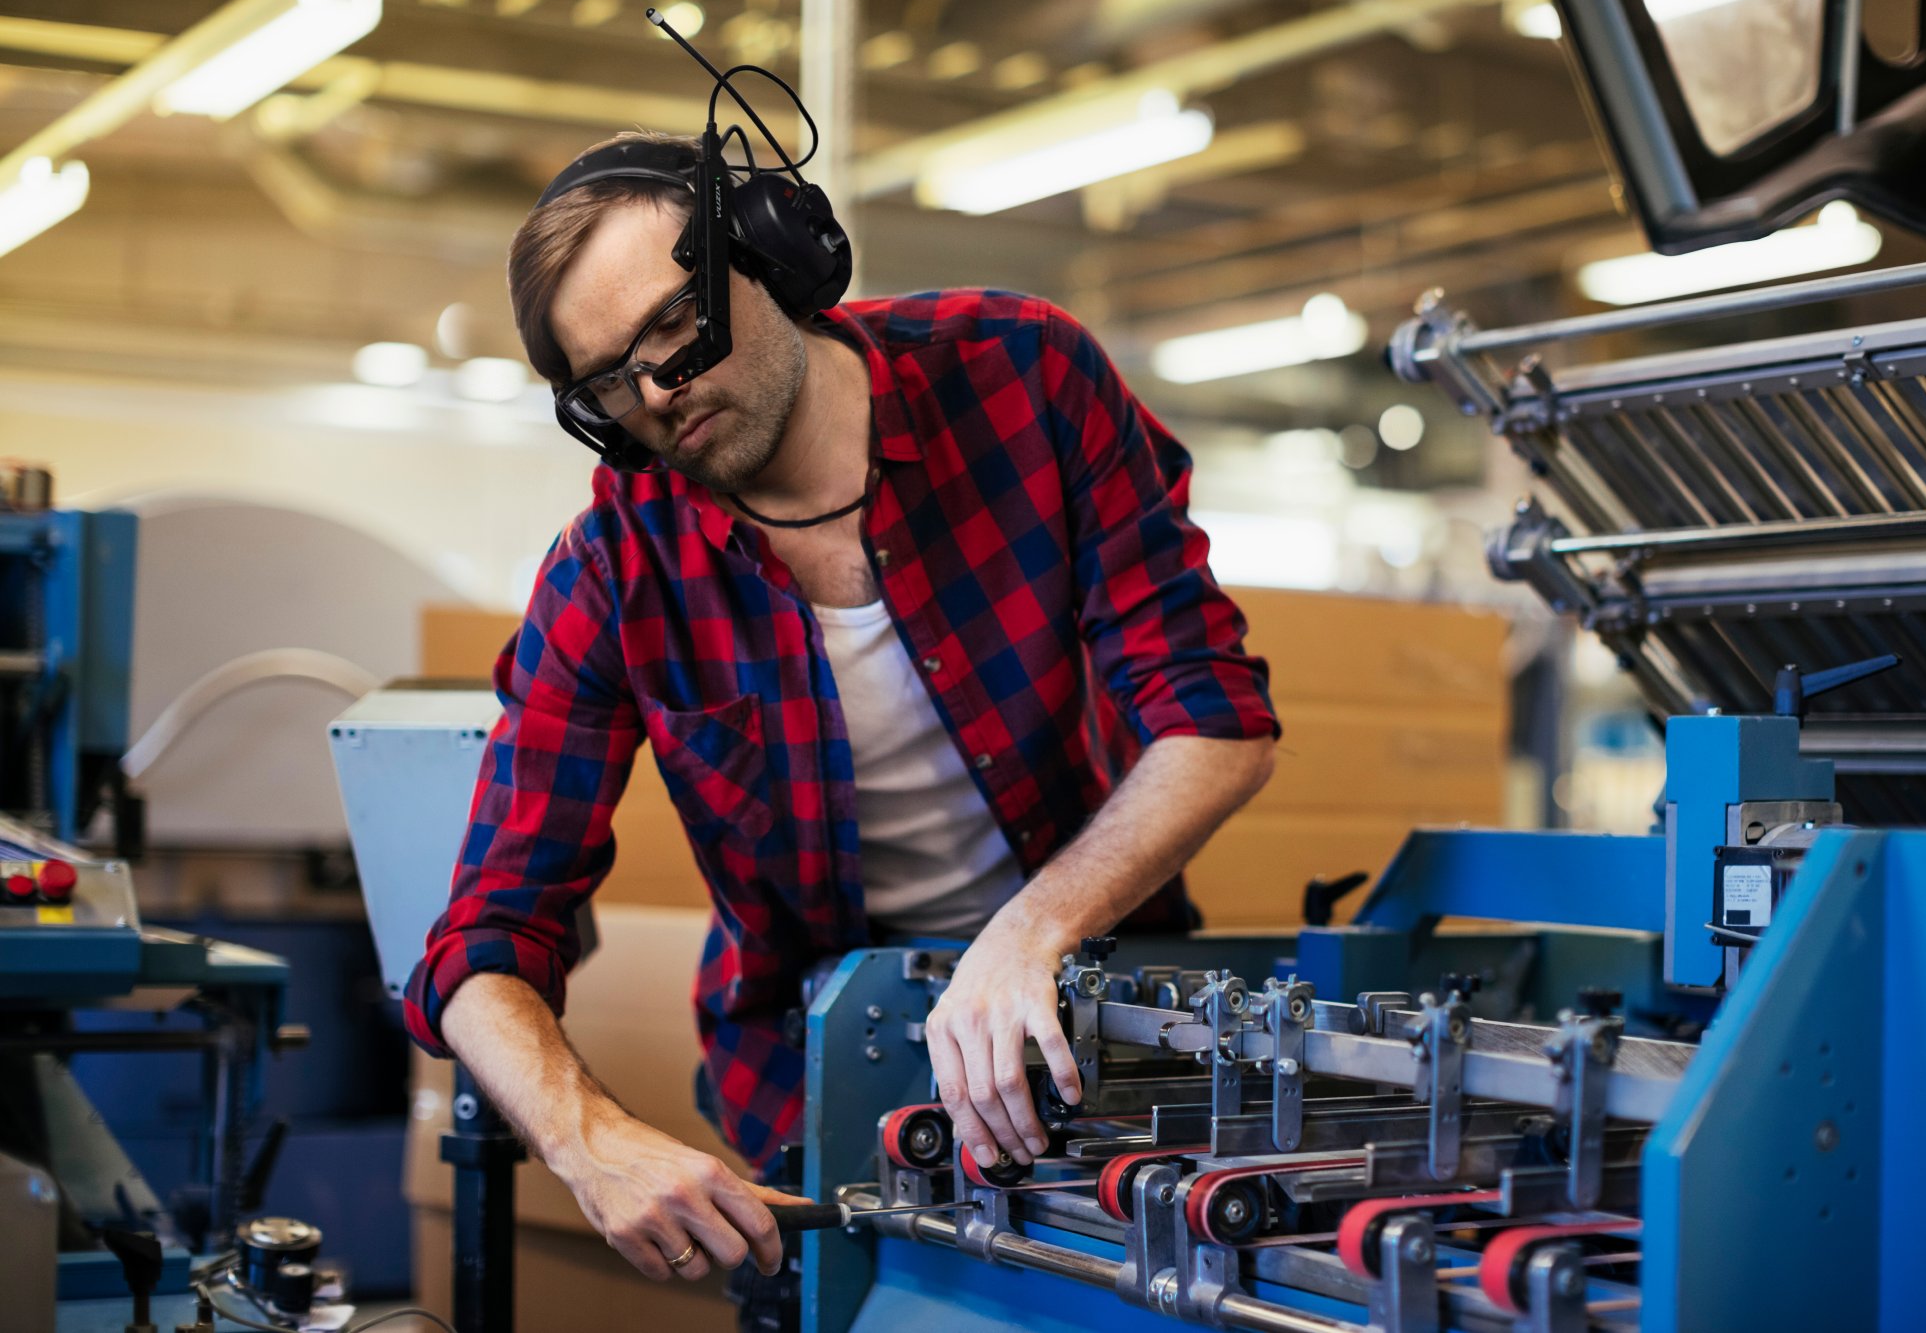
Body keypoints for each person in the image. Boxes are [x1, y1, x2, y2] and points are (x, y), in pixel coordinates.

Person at [401, 127, 1278, 1285]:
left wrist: (1027, 933)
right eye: (615, 378)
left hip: (1099, 1038)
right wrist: (586, 1139)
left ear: (770, 255)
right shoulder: (617, 567)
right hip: (812, 1084)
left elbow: (1212, 720)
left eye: (676, 327)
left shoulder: (1025, 376)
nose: (660, 389)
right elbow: (480, 945)